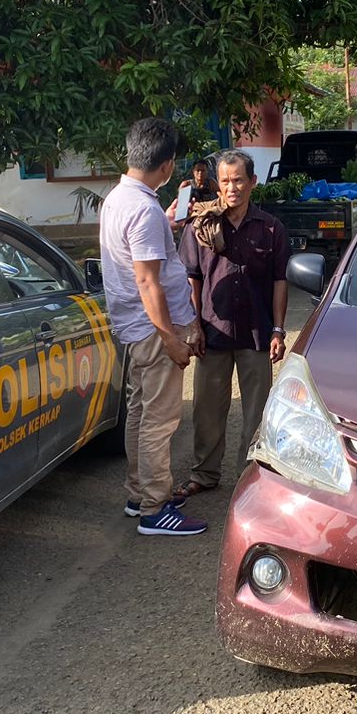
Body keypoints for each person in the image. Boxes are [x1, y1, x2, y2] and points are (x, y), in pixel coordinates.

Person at [98, 117, 207, 536]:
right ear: (167, 165)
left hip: (134, 328)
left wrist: (165, 222)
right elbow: (147, 280)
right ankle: (155, 509)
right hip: (152, 329)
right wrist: (171, 338)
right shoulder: (143, 210)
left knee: (141, 413)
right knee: (159, 420)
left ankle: (137, 494)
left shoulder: (120, 199)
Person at [172, 150, 290, 503]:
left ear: (253, 182)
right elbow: (190, 279)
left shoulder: (271, 228)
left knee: (257, 412)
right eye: (225, 181)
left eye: (239, 180)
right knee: (207, 408)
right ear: (216, 183)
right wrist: (193, 325)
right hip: (212, 330)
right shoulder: (201, 226)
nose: (232, 187)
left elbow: (280, 281)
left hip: (256, 331)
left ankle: (250, 478)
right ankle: (204, 474)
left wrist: (279, 330)